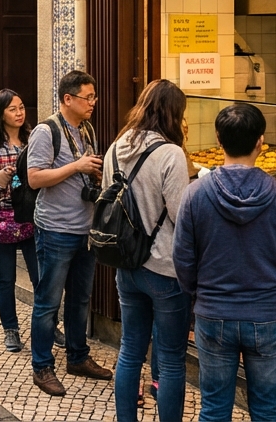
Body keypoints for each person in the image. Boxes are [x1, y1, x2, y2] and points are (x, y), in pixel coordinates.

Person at [173, 102, 276, 422]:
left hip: (214, 312)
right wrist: (273, 283)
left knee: (215, 408)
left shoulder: (196, 194)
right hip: (267, 314)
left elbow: (182, 259)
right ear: (261, 142)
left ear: (218, 140)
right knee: (266, 410)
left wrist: (201, 290)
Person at [108, 80, 192, 422]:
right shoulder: (170, 154)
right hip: (164, 269)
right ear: (173, 113)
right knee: (171, 359)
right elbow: (180, 216)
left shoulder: (117, 145)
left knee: (130, 350)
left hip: (126, 264)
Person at [27, 70, 111, 396]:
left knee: (80, 300)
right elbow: (34, 178)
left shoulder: (86, 129)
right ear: (68, 99)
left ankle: (78, 357)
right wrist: (76, 167)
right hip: (56, 229)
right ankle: (41, 365)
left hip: (85, 229)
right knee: (48, 302)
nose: (93, 103)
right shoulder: (46, 132)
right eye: (87, 98)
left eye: (94, 97)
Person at [0, 89, 40, 353]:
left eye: (22, 107)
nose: (19, 113)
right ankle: (10, 329)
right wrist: (2, 177)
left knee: (41, 277)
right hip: (2, 218)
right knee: (6, 277)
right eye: (13, 109)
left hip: (32, 218)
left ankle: (46, 325)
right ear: (0, 113)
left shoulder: (33, 137)